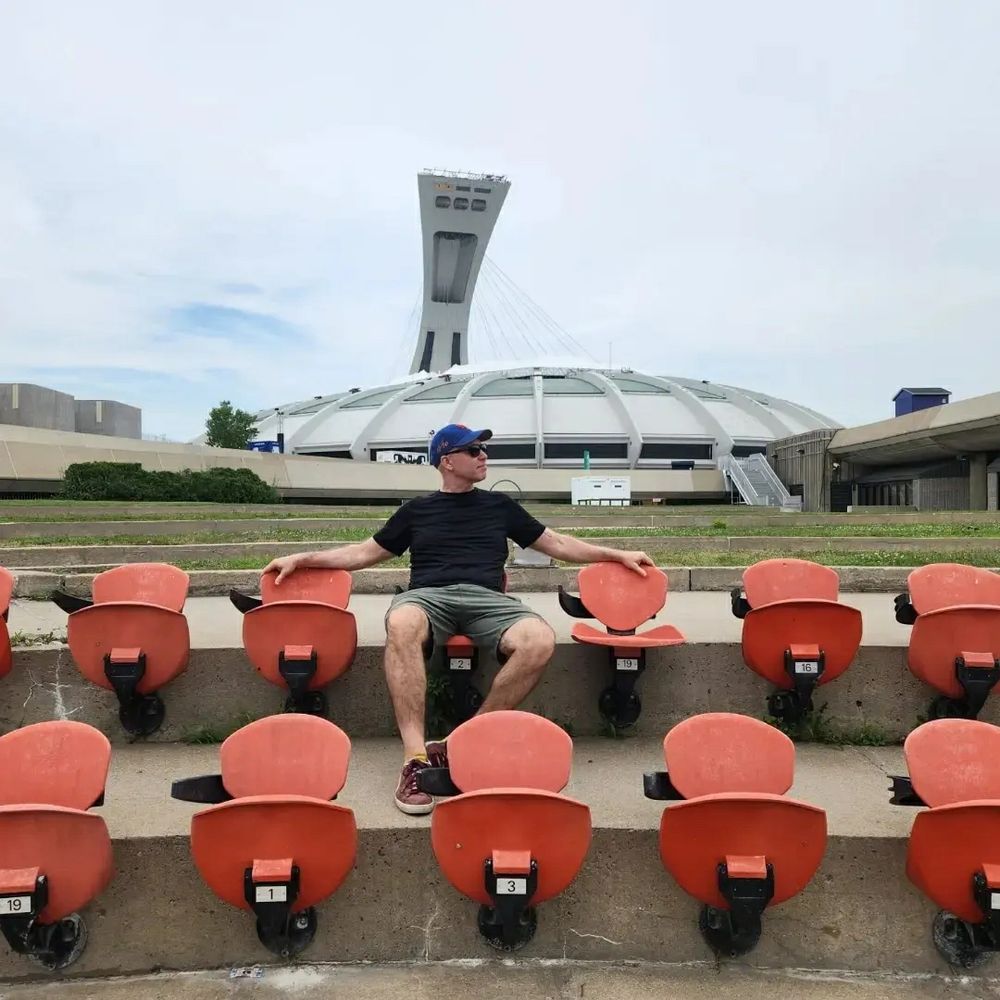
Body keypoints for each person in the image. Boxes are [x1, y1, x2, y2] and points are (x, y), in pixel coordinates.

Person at [263, 424, 653, 815]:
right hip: (429, 597)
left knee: (539, 640)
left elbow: (558, 544)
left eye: (483, 449)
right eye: (474, 450)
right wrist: (303, 558)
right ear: (447, 461)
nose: (484, 456)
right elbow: (363, 554)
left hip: (487, 600)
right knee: (401, 624)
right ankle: (415, 760)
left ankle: (459, 743)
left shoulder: (499, 506)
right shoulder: (417, 510)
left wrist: (616, 554)